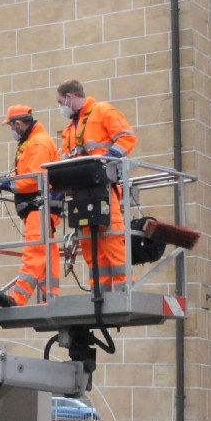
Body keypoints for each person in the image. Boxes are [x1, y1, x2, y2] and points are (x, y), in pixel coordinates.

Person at [56, 79, 137, 290]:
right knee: (91, 248)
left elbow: (127, 137)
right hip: (81, 193)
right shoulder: (70, 129)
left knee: (112, 243)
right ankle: (99, 295)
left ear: (69, 97)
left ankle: (123, 292)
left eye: (60, 102)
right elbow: (65, 160)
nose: (60, 107)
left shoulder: (102, 111)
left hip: (105, 189)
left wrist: (106, 159)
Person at [0, 105, 60, 309]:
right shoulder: (34, 142)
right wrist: (5, 180)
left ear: (18, 123)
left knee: (34, 253)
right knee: (47, 253)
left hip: (39, 206)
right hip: (41, 206)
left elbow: (33, 179)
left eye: (11, 125)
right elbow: (27, 175)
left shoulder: (37, 143)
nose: (12, 130)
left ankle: (18, 298)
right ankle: (50, 298)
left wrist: (5, 183)